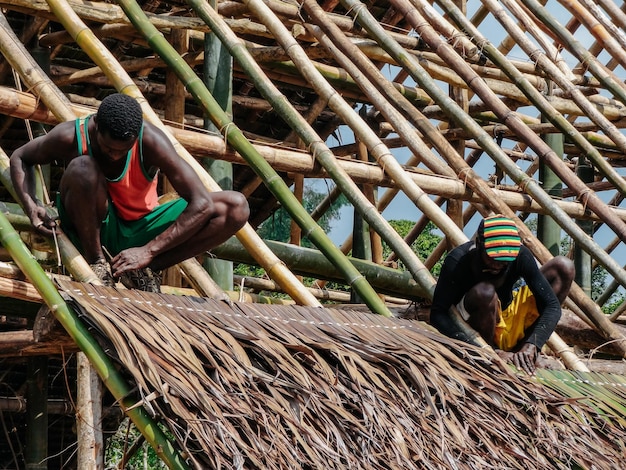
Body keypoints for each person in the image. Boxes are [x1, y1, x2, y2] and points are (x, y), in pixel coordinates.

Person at [10, 93, 249, 292]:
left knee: (234, 207)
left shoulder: (152, 141)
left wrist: (148, 251)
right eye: (108, 148)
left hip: (140, 230)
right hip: (91, 230)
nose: (114, 155)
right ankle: (97, 264)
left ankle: (145, 269)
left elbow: (202, 202)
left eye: (123, 149)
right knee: (83, 168)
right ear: (97, 127)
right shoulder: (71, 136)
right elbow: (21, 157)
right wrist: (32, 207)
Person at [430, 214, 574, 374]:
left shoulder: (521, 256)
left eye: (505, 260)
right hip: (477, 324)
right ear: (479, 244)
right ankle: (493, 349)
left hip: (509, 318)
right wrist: (476, 346)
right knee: (485, 292)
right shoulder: (458, 261)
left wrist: (533, 344)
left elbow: (552, 306)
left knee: (563, 267)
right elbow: (438, 314)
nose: (498, 264)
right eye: (492, 257)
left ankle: (522, 353)